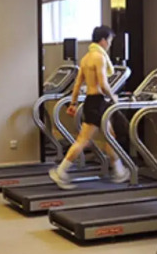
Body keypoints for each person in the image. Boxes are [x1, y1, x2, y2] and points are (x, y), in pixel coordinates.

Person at [49, 26, 129, 190]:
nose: (110, 44)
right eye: (109, 41)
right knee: (83, 141)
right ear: (103, 40)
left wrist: (73, 103)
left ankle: (119, 171)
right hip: (98, 102)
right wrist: (113, 97)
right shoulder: (99, 57)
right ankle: (61, 171)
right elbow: (103, 83)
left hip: (90, 101)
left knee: (110, 136)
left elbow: (78, 83)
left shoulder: (85, 58)